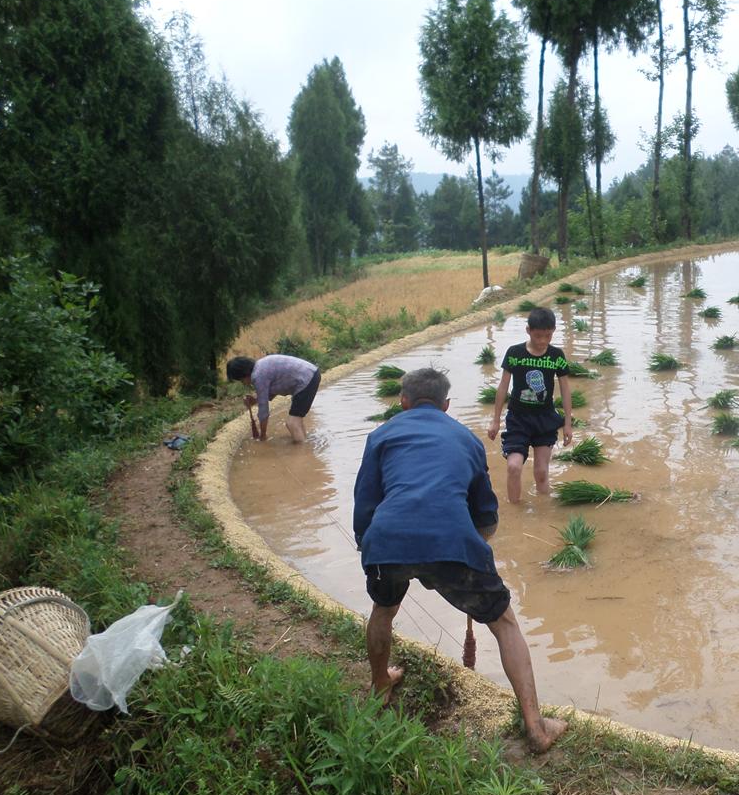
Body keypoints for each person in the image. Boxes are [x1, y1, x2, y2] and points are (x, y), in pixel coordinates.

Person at [353, 367, 567, 753]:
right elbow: (486, 515)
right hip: (451, 542)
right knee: (504, 623)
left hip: (386, 542)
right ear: (447, 405)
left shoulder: (380, 435)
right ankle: (536, 728)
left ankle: (380, 684)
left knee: (383, 610)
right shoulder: (466, 439)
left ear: (403, 401)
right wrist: (475, 546)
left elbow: (365, 503)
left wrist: (369, 549)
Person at [487, 307, 573, 503]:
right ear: (528, 331)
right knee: (514, 467)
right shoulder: (514, 353)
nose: (543, 341)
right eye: (538, 336)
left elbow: (565, 390)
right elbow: (503, 387)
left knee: (541, 472)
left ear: (553, 331)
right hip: (518, 419)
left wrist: (567, 423)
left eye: (548, 336)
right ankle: (515, 511)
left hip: (545, 419)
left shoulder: (556, 356)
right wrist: (495, 421)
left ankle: (544, 511)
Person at [225, 354, 321, 444]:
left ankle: (303, 452)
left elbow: (263, 411)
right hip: (310, 374)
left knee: (292, 423)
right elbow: (270, 393)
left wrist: (263, 436)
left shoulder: (258, 376)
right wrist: (254, 400)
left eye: (241, 380)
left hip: (306, 379)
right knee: (296, 421)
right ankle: (304, 443)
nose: (244, 383)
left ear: (244, 374)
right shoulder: (260, 367)